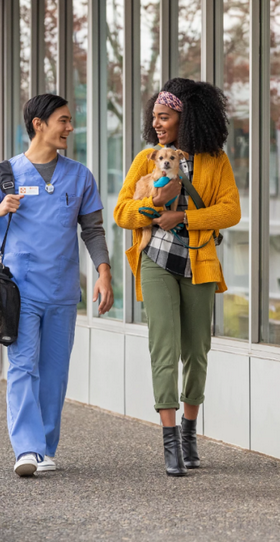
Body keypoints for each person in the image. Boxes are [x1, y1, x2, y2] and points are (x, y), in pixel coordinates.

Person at [0, 94, 114, 476]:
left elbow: (92, 230)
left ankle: (45, 448)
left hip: (62, 292)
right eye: (63, 120)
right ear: (39, 124)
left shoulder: (80, 176)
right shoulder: (3, 174)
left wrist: (104, 271)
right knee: (23, 366)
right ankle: (26, 449)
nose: (69, 128)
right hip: (20, 291)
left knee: (55, 371)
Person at [114, 78, 241, 476]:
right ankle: (170, 441)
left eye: (164, 117)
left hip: (198, 260)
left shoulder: (214, 160)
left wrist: (183, 216)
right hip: (155, 258)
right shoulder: (147, 158)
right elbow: (121, 212)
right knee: (163, 346)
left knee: (197, 350)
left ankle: (189, 431)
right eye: (153, 117)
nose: (156, 124)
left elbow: (230, 211)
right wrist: (152, 208)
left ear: (185, 119)